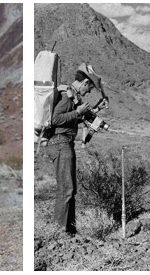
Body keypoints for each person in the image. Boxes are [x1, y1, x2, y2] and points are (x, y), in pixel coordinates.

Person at [46, 63, 102, 234]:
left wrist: (86, 113)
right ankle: (59, 231)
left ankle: (70, 230)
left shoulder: (72, 97)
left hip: (64, 143)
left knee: (70, 187)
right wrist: (78, 112)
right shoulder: (65, 95)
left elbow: (67, 121)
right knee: (66, 188)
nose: (89, 92)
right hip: (60, 143)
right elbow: (56, 119)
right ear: (85, 82)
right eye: (89, 88)